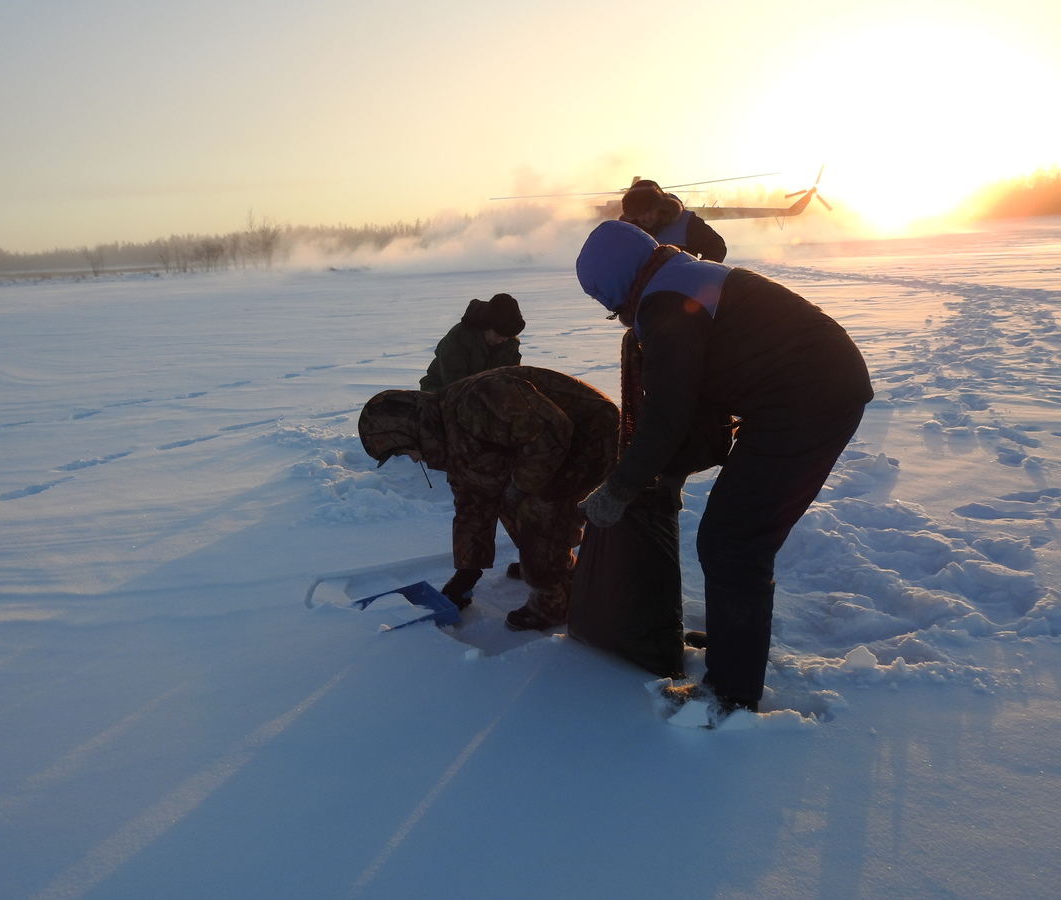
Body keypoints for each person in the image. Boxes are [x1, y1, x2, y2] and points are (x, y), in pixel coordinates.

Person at [575, 220, 873, 717]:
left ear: (621, 286)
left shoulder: (666, 303)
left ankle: (730, 696)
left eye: (615, 307)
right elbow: (699, 406)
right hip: (803, 393)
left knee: (733, 543)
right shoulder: (680, 274)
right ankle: (735, 644)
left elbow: (669, 414)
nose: (622, 318)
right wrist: (667, 475)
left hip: (809, 402)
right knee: (732, 537)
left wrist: (619, 488)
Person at [358, 366, 619, 631]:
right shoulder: (448, 438)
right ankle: (546, 565)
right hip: (551, 449)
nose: (413, 459)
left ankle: (555, 601)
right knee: (509, 500)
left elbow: (551, 433)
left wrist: (522, 485)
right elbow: (472, 504)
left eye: (405, 451)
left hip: (591, 437)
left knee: (536, 511)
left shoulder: (478, 401)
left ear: (411, 432)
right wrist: (467, 571)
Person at [419, 294, 525, 392]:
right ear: (485, 326)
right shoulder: (458, 338)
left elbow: (512, 376)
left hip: (484, 393)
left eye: (506, 337)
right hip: (441, 391)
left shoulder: (510, 343)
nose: (502, 340)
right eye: (497, 336)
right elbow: (455, 382)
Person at [620, 180, 728, 263]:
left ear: (661, 206)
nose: (646, 217)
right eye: (640, 212)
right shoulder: (625, 229)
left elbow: (716, 246)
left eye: (650, 210)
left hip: (681, 289)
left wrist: (699, 274)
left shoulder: (686, 223)